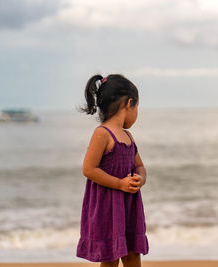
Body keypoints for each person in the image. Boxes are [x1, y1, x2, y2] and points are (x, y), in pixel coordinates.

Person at [76, 74, 149, 267]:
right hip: (108, 208)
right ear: (130, 103)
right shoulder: (102, 134)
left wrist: (140, 179)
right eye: (137, 107)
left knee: (133, 254)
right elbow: (89, 169)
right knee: (110, 258)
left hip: (129, 207)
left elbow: (140, 166)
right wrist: (119, 183)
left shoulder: (128, 136)